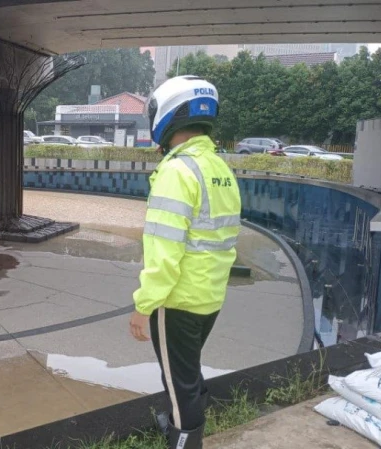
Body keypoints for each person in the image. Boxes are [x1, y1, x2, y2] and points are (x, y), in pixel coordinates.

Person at [129, 75, 241, 449]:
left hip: (177, 300)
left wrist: (143, 306)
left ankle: (185, 438)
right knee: (185, 373)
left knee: (180, 383)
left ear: (168, 115)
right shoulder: (219, 169)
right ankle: (177, 419)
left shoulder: (177, 172)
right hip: (209, 296)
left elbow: (164, 252)